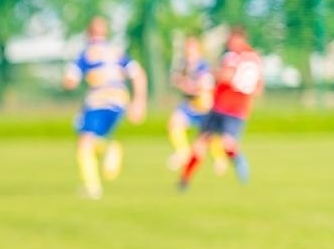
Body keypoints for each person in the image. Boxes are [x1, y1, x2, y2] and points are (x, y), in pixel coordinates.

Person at [63, 16, 147, 200]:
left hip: (99, 100)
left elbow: (71, 79)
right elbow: (138, 74)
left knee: (84, 143)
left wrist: (67, 82)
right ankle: (108, 149)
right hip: (119, 102)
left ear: (88, 33)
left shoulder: (87, 53)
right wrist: (139, 102)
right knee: (91, 139)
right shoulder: (116, 52)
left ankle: (93, 186)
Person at [179, 25, 262, 190]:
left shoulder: (241, 57)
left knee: (227, 144)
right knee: (201, 142)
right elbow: (257, 87)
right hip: (222, 107)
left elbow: (228, 77)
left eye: (232, 39)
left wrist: (214, 74)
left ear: (240, 39)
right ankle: (184, 180)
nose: (230, 43)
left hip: (233, 108)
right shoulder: (244, 57)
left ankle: (238, 160)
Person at [167, 35, 219, 172]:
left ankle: (218, 158)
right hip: (189, 103)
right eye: (187, 47)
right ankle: (182, 151)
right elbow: (176, 80)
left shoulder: (203, 65)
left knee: (207, 136)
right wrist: (183, 83)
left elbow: (200, 87)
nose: (189, 50)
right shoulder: (182, 64)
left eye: (192, 47)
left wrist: (185, 84)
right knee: (174, 123)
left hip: (204, 105)